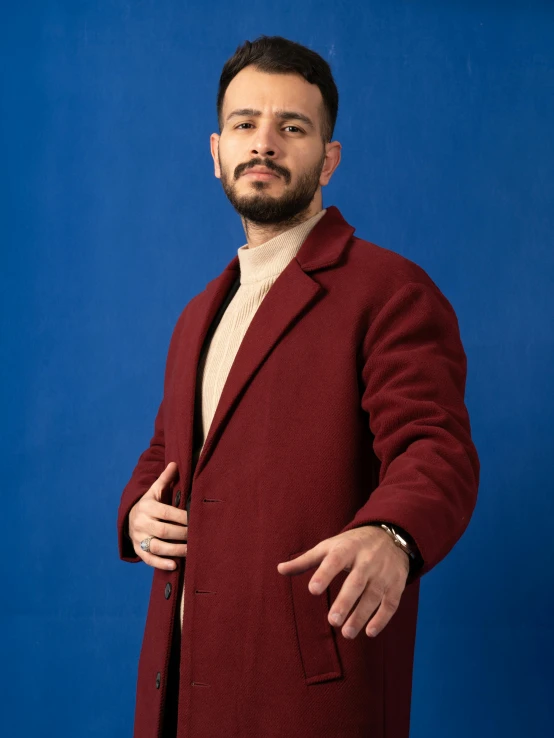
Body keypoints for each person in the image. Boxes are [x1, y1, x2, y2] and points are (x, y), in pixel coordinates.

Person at [117, 35, 480, 738]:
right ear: (217, 151)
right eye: (247, 124)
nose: (266, 144)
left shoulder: (389, 289)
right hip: (181, 687)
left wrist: (392, 534)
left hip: (307, 693)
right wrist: (136, 515)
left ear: (328, 159)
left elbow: (436, 448)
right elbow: (169, 451)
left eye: (292, 127)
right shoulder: (198, 313)